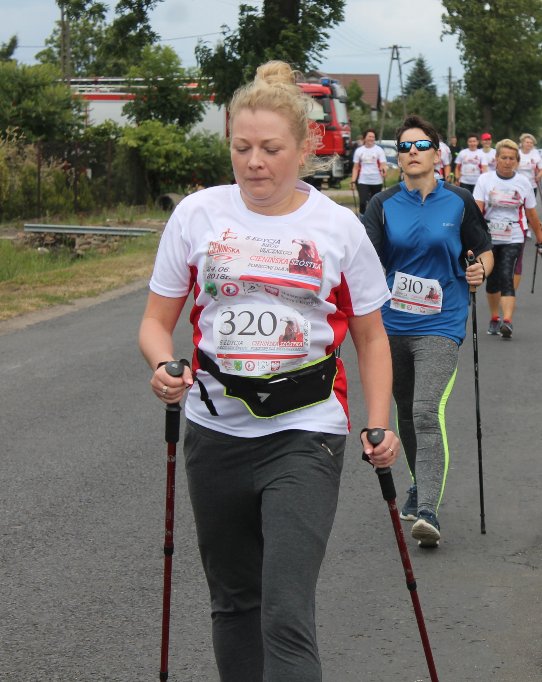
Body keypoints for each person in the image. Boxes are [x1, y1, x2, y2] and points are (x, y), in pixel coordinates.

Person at [138, 61, 401, 682]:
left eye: (271, 148)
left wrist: (380, 423)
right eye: (241, 146)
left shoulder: (339, 227)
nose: (254, 161)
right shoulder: (198, 215)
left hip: (306, 432)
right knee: (235, 603)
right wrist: (162, 367)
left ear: (306, 147)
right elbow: (155, 323)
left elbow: (370, 336)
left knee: (284, 610)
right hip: (214, 430)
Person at [362, 114, 493, 548]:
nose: (412, 153)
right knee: (404, 411)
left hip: (442, 321)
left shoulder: (459, 201)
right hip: (392, 323)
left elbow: (485, 251)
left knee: (424, 410)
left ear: (438, 154)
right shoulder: (382, 205)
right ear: (396, 157)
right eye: (404, 147)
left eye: (421, 146)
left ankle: (429, 510)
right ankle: (419, 482)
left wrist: (478, 271)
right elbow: (368, 262)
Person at [474, 139, 542, 339]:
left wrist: (541, 240)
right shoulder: (485, 180)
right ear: (496, 159)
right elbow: (477, 210)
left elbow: (531, 214)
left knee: (507, 275)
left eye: (511, 159)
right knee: (491, 279)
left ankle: (507, 322)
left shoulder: (523, 182)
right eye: (503, 158)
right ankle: (494, 317)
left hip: (514, 235)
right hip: (489, 236)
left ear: (516, 161)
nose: (507, 162)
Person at [351, 129, 388, 216]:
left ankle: (374, 221)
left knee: (375, 202)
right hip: (363, 180)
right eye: (369, 136)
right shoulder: (359, 151)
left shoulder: (379, 150)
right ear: (365, 138)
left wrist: (384, 171)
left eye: (373, 137)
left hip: (376, 180)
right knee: (362, 202)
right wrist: (353, 181)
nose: (371, 138)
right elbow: (355, 168)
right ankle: (362, 221)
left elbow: (383, 164)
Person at [518, 133, 542, 229]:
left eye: (531, 143)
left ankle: (528, 228)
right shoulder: (517, 153)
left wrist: (539, 176)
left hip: (531, 185)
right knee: (519, 205)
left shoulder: (536, 154)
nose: (529, 144)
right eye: (527, 142)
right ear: (522, 143)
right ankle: (520, 225)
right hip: (518, 184)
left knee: (528, 207)